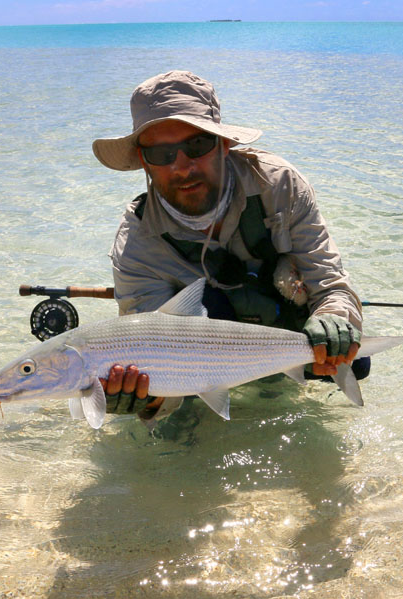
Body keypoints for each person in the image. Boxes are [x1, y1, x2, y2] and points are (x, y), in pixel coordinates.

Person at [91, 70, 367, 428]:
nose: (181, 166)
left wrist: (335, 319)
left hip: (284, 327)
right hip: (194, 359)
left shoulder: (279, 185)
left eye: (197, 145)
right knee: (165, 425)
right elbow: (148, 355)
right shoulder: (137, 246)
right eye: (161, 153)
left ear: (223, 143)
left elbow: (330, 284)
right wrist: (147, 400)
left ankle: (284, 385)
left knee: (355, 357)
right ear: (144, 161)